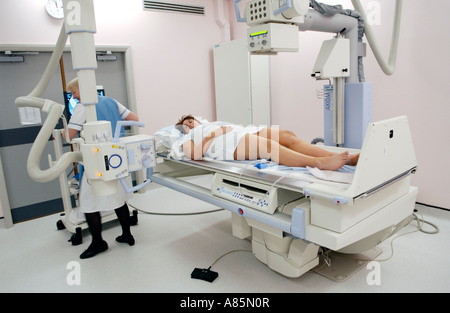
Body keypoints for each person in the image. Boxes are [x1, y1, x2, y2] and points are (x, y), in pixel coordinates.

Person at [65, 78, 139, 259]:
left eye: (73, 93)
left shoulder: (83, 107)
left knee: (89, 204)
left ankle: (98, 243)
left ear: (82, 89)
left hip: (96, 162)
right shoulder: (112, 101)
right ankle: (127, 234)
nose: (73, 97)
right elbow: (135, 120)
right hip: (117, 159)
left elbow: (68, 136)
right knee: (119, 197)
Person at [175, 115, 359, 171]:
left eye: (191, 120)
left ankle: (344, 159)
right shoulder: (187, 138)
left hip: (242, 131)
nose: (189, 123)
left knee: (288, 136)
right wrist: (212, 135)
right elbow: (195, 155)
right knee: (270, 148)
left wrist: (217, 128)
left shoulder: (213, 123)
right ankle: (319, 163)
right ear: (183, 130)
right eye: (185, 124)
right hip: (227, 144)